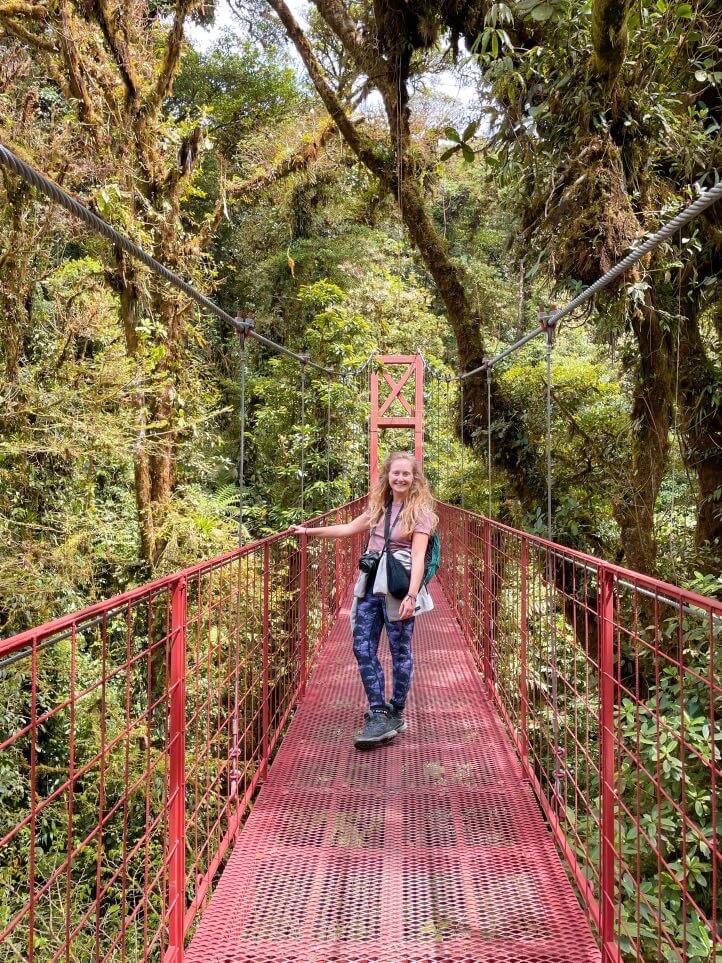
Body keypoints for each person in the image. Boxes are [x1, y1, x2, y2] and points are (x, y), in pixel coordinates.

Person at [291, 452, 438, 749]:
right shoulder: (379, 508)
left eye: (406, 474)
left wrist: (412, 595)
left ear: (414, 478)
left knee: (400, 651)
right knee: (362, 647)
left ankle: (396, 710)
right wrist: (308, 531)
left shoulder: (421, 513)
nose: (400, 478)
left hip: (398, 588)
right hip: (370, 584)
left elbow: (420, 557)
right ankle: (377, 711)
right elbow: (347, 529)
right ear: (388, 476)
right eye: (395, 473)